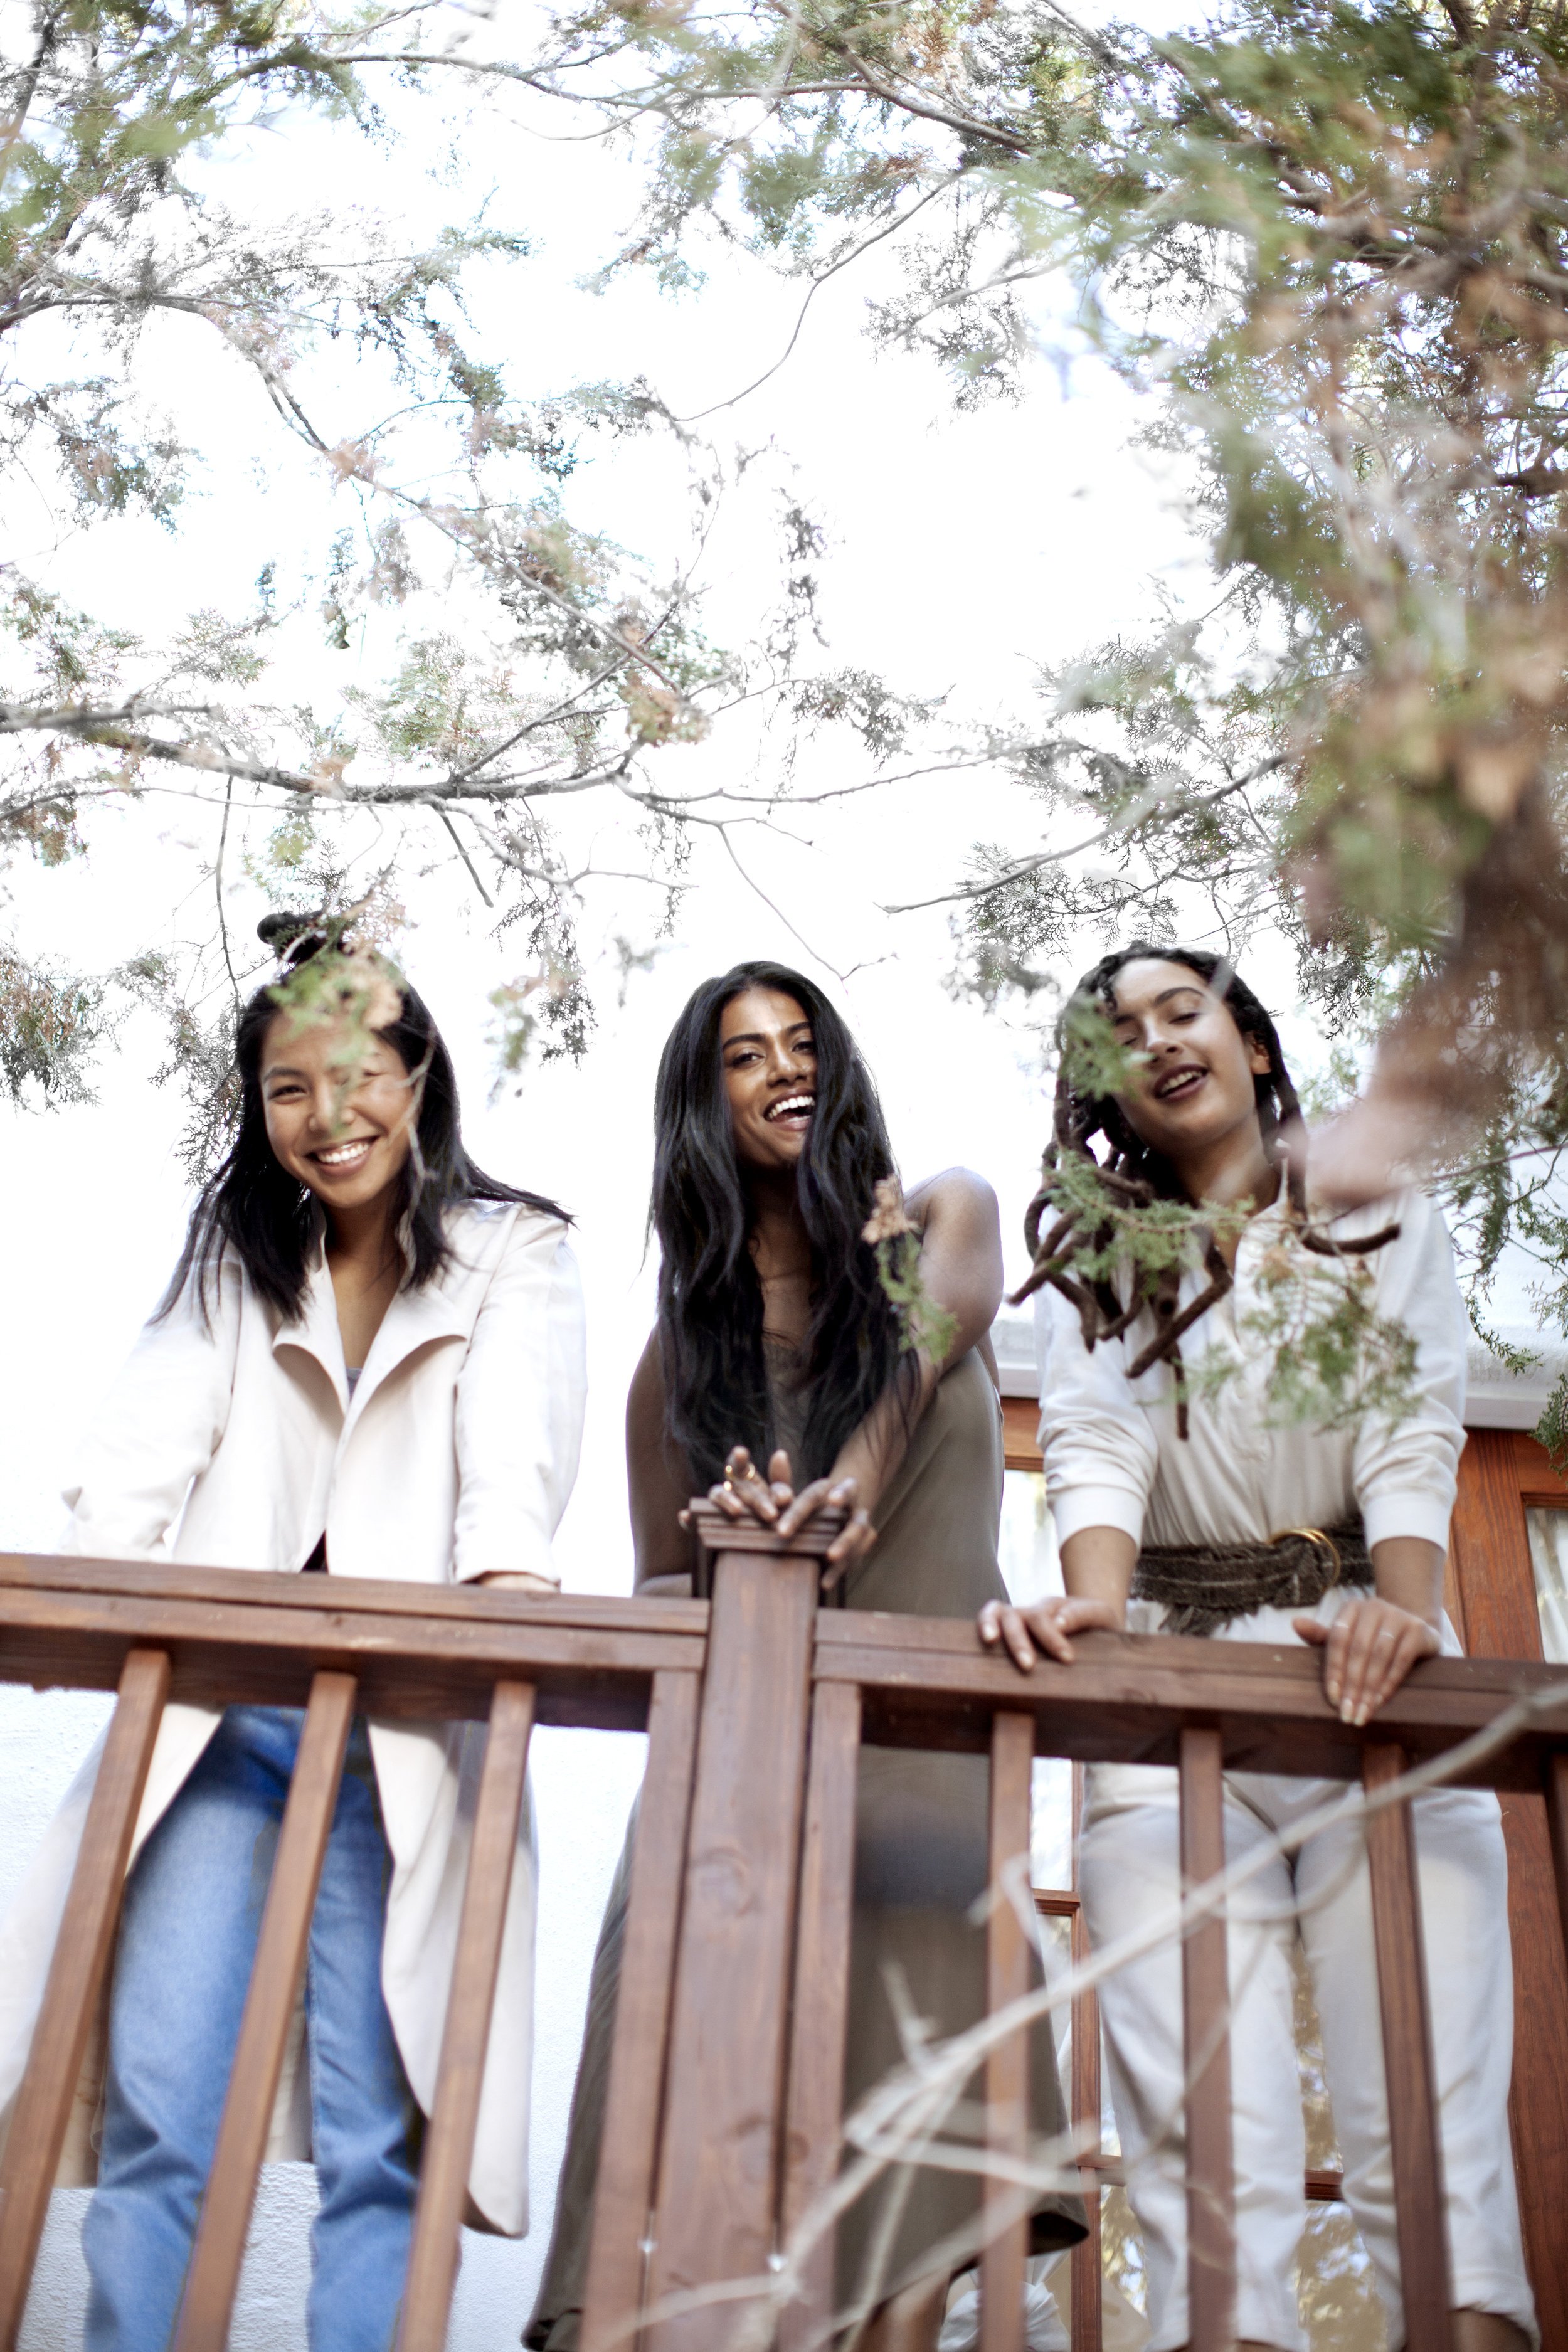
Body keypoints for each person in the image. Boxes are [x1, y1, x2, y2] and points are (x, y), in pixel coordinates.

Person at [0, 918, 586, 2352]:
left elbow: (511, 1459)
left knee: (383, 2136)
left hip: (405, 1733)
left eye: (360, 1074)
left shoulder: (513, 1249)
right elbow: (144, 1445)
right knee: (158, 2117)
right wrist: (92, 1592)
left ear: (419, 1074)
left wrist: (506, 1582)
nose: (328, 1117)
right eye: (287, 1088)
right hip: (217, 1722)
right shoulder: (240, 1251)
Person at [979, 943, 1536, 2352]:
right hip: (1167, 1683)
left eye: (1184, 1010)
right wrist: (1097, 1611)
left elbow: (1411, 1419)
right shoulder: (1100, 1258)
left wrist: (1402, 1609)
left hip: (1367, 1663)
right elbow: (1093, 1437)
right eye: (1122, 1036)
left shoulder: (1373, 1207)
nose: (1160, 1040)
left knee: (1436, 2144)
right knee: (1202, 2163)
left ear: (1251, 1042)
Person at [527, 960, 1083, 2352]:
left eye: (802, 1042)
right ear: (701, 1103)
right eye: (742, 1053)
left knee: (920, 2204)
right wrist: (732, 1551)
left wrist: (842, 1491)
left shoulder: (944, 1216)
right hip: (733, 1796)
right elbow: (657, 1598)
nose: (783, 1067)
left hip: (922, 1785)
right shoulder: (679, 1355)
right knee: (683, 2191)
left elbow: (924, 1350)